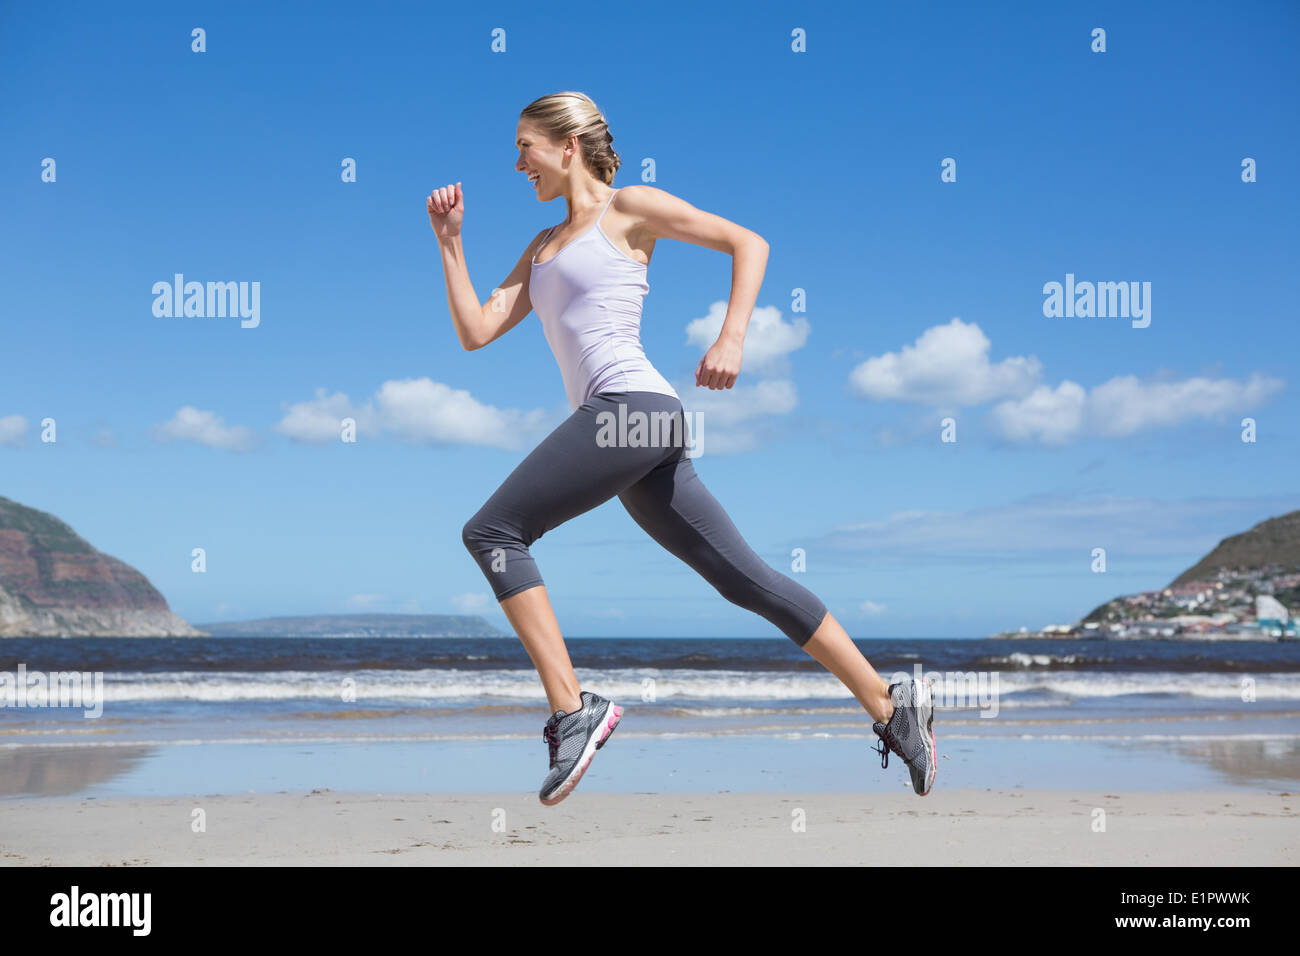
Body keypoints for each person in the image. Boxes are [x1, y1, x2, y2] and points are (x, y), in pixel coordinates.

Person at [427, 90, 937, 804]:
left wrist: (732, 336)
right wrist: (450, 244)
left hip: (632, 410)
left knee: (493, 531)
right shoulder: (540, 248)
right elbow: (477, 329)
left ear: (568, 146)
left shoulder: (628, 208)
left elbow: (747, 242)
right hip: (639, 429)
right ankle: (892, 707)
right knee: (745, 580)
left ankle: (575, 711)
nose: (517, 164)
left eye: (525, 147)